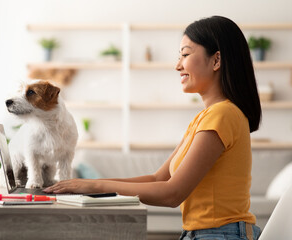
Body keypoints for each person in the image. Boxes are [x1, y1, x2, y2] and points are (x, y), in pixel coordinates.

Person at [43, 16, 262, 240]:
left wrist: (96, 187)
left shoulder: (222, 115)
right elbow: (159, 179)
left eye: (185, 55)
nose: (178, 65)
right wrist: (87, 185)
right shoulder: (205, 118)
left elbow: (172, 194)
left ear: (216, 60)